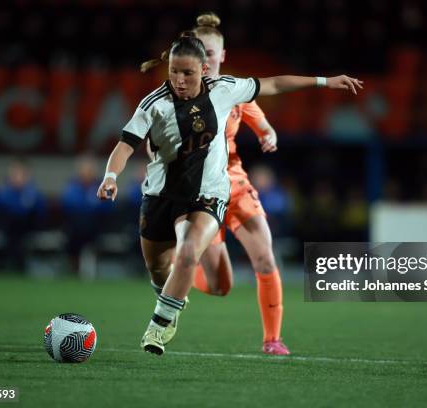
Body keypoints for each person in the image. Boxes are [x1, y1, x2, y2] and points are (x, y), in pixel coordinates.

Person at [96, 31, 362, 356]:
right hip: (161, 195)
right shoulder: (154, 104)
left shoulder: (224, 90)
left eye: (188, 73)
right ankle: (174, 295)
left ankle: (159, 326)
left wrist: (323, 81)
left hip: (211, 193)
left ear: (205, 69)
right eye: (174, 72)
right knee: (158, 268)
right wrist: (111, 176)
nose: (180, 80)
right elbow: (125, 145)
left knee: (190, 249)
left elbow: (274, 84)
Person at [190, 13, 291, 355]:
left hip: (234, 184)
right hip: (200, 195)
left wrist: (268, 135)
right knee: (219, 286)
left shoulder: (235, 91)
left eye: (210, 51)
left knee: (265, 257)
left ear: (222, 55)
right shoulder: (179, 95)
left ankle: (272, 339)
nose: (205, 59)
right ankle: (182, 268)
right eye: (198, 51)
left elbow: (262, 124)